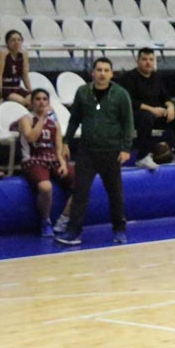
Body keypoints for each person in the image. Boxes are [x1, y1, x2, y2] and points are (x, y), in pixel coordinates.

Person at [56, 58, 133, 246]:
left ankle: (119, 229)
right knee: (80, 192)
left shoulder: (121, 95)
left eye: (106, 70)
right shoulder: (83, 92)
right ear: (92, 73)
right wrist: (66, 142)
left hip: (111, 151)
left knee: (115, 193)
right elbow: (74, 119)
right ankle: (74, 231)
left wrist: (125, 148)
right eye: (99, 70)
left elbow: (128, 123)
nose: (102, 73)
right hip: (87, 151)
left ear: (111, 73)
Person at [116, 48, 175, 169]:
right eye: (144, 59)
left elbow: (165, 97)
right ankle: (143, 157)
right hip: (135, 115)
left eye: (151, 59)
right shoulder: (129, 77)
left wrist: (170, 107)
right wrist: (151, 109)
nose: (148, 62)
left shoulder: (157, 77)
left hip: (156, 114)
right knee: (146, 117)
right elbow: (128, 102)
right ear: (137, 61)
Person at [18, 88, 73, 237]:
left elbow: (58, 147)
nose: (41, 102)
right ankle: (45, 221)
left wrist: (62, 163)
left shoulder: (55, 123)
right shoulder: (26, 119)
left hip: (53, 159)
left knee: (82, 184)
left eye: (44, 99)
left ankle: (64, 219)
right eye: (38, 99)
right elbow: (31, 138)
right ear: (32, 102)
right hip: (33, 159)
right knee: (45, 186)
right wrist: (42, 118)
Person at [0, 29, 32, 106]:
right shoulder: (2, 53)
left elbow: (25, 75)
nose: (16, 42)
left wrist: (30, 91)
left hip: (17, 87)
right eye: (13, 40)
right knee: (22, 101)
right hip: (5, 88)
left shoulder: (24, 53)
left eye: (19, 40)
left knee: (33, 100)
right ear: (7, 42)